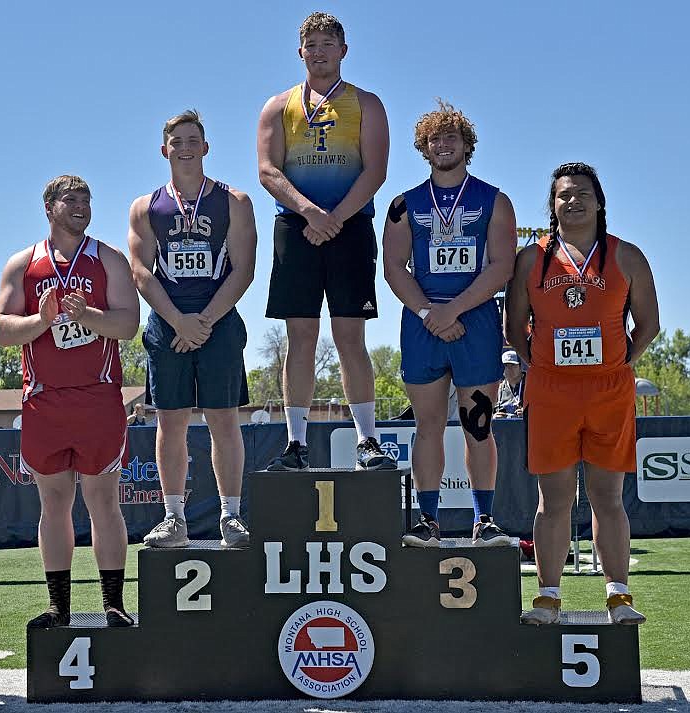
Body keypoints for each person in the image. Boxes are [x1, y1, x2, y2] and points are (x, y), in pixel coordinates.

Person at [505, 162, 660, 625]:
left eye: (582, 194)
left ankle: (618, 596)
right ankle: (548, 597)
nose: (572, 201)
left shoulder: (627, 256)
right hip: (552, 391)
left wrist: (621, 363)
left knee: (607, 497)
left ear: (599, 202)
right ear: (551, 205)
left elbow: (649, 324)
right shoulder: (532, 259)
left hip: (609, 391)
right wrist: (540, 366)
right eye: (563, 195)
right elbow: (514, 328)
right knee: (552, 500)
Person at [0, 175, 140, 629]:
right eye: (70, 200)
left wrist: (87, 315)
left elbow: (128, 325)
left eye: (86, 199)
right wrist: (43, 318)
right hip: (44, 401)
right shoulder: (23, 264)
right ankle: (59, 606)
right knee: (53, 504)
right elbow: (0, 329)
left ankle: (113, 603)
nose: (80, 206)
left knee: (103, 501)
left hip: (98, 397)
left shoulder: (108, 258)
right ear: (49, 208)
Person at [257, 11, 394, 471]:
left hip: (350, 225)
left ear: (343, 51)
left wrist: (334, 216)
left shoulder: (367, 104)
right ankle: (296, 444)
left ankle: (368, 441)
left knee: (350, 335)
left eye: (326, 43)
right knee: (300, 336)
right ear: (300, 53)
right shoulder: (278, 106)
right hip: (296, 228)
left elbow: (375, 170)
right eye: (310, 45)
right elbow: (268, 171)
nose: (318, 52)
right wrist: (310, 212)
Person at [382, 101, 516, 548]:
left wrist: (453, 310)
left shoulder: (494, 200)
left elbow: (501, 267)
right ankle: (428, 520)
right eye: (435, 139)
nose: (443, 145)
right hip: (422, 323)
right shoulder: (405, 204)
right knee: (429, 425)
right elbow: (394, 267)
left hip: (475, 320)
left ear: (467, 145)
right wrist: (429, 314)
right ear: (424, 147)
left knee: (478, 424)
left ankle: (485, 519)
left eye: (452, 137)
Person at [128, 110, 256, 549]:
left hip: (218, 323)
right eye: (176, 141)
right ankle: (174, 517)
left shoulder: (234, 201)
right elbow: (141, 272)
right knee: (171, 422)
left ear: (206, 147)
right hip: (167, 323)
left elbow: (244, 270)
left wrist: (203, 322)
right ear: (164, 150)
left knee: (223, 420)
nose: (184, 147)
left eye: (192, 139)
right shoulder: (146, 207)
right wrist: (178, 320)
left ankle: (231, 516)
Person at [494, 350, 525, 417]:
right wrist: (494, 417)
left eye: (513, 365)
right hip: (504, 426)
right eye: (505, 365)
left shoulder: (530, 386)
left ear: (520, 367)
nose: (509, 369)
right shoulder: (498, 389)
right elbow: (487, 412)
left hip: (526, 426)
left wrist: (527, 414)